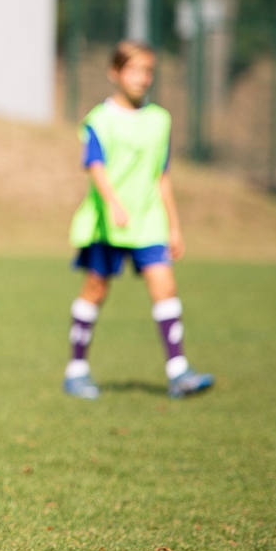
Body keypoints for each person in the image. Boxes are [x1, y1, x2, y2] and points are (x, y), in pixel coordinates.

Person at [63, 40, 213, 400]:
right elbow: (95, 166)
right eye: (133, 70)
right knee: (96, 289)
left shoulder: (160, 120)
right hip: (108, 222)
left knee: (165, 287)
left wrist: (174, 225)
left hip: (149, 221)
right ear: (115, 72)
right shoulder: (100, 120)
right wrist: (113, 203)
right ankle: (76, 370)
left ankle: (178, 372)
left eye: (148, 70)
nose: (142, 78)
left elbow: (162, 176)